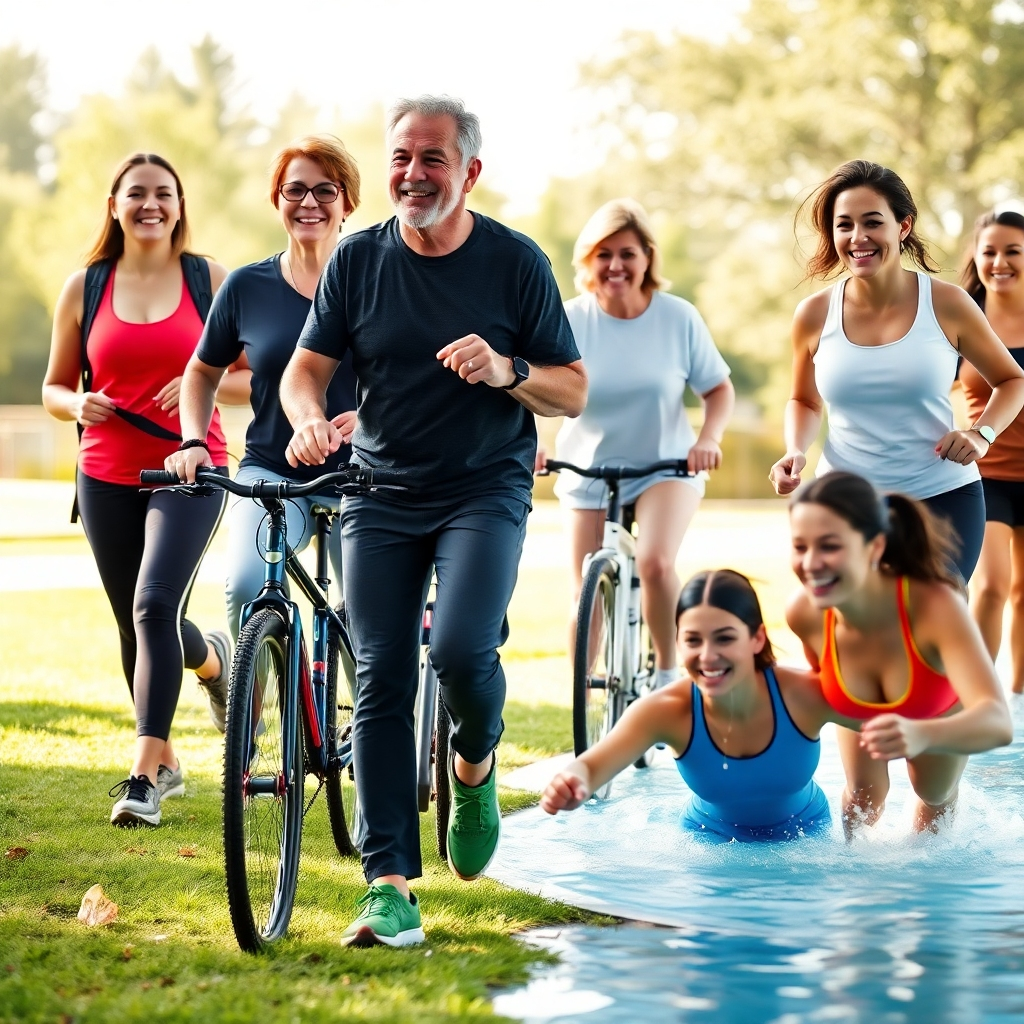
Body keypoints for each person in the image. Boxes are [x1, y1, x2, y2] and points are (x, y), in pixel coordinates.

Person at [280, 95, 586, 947]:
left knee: (458, 649)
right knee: (379, 674)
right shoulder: (357, 261)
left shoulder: (515, 263)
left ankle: (475, 764)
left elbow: (572, 386)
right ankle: (388, 886)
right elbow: (306, 369)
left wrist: (507, 367)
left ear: (470, 173)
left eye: (433, 160)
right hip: (380, 492)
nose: (413, 175)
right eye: (402, 159)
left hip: (484, 488)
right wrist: (307, 415)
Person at [41, 152, 244, 827]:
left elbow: (253, 375)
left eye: (163, 193)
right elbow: (53, 387)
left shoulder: (209, 279)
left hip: (190, 468)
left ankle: (146, 772)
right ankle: (213, 660)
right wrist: (77, 405)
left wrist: (198, 382)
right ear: (114, 205)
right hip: (103, 473)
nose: (150, 204)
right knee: (138, 618)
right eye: (136, 193)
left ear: (180, 206)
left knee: (153, 602)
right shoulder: (86, 287)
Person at [769, 160, 1024, 583]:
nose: (858, 238)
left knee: (932, 625)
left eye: (873, 222)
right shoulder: (813, 314)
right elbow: (803, 399)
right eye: (844, 225)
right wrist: (795, 449)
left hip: (943, 496)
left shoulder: (947, 303)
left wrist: (982, 434)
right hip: (847, 502)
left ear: (902, 226)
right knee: (857, 632)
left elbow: (1012, 380)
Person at [165, 136, 361, 640]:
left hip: (367, 477)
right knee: (248, 589)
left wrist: (374, 417)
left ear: (348, 202)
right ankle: (256, 710)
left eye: (325, 190)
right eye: (294, 190)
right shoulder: (246, 286)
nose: (309, 203)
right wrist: (192, 441)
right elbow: (201, 373)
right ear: (277, 200)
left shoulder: (377, 282)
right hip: (274, 473)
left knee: (371, 622)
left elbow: (416, 377)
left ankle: (372, 717)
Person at [548, 199, 734, 689]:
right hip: (587, 467)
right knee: (585, 586)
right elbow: (538, 392)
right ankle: (580, 703)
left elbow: (718, 388)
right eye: (603, 254)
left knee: (654, 562)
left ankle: (670, 675)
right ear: (587, 261)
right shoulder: (569, 318)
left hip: (665, 465)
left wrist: (707, 437)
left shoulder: (678, 318)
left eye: (627, 253)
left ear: (648, 257)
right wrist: (535, 445)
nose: (615, 266)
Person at [786, 471, 1013, 834]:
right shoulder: (804, 613)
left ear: (874, 547)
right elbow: (819, 690)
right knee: (864, 798)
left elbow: (999, 724)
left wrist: (924, 736)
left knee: (934, 793)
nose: (811, 563)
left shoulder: (937, 607)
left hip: (936, 714)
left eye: (830, 546)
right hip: (862, 707)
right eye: (800, 546)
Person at [542, 570, 840, 842]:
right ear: (677, 642)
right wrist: (572, 781)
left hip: (807, 836)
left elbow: (871, 717)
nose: (708, 656)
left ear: (757, 638)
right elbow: (594, 765)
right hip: (711, 841)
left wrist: (868, 773)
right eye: (693, 640)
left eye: (724, 638)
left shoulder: (801, 695)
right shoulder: (666, 710)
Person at [958, 211, 1024, 692]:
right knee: (992, 585)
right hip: (986, 478)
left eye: (1012, 251)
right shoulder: (958, 316)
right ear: (976, 259)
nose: (999, 261)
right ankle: (978, 696)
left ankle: (1019, 701)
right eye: (989, 251)